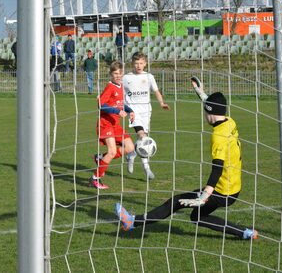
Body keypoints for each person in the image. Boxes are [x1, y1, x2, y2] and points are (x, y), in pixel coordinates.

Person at [115, 77, 258, 241]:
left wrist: (205, 195)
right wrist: (200, 92)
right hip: (233, 188)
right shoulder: (229, 121)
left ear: (209, 113)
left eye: (206, 112)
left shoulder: (218, 137)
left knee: (176, 202)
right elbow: (211, 105)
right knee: (198, 217)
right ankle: (245, 233)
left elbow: (217, 168)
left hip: (221, 190)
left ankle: (132, 222)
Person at [123, 52, 170, 180]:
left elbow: (156, 91)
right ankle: (147, 169)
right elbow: (119, 93)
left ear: (145, 64)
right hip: (133, 111)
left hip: (146, 111)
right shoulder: (126, 78)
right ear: (132, 63)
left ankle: (131, 154)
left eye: (141, 63)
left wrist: (162, 103)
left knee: (144, 138)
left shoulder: (149, 76)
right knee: (143, 137)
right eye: (136, 63)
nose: (139, 66)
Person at [91, 61, 137, 189]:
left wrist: (130, 111)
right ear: (111, 74)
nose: (118, 75)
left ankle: (100, 158)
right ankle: (96, 178)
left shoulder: (121, 86)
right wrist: (117, 111)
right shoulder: (110, 87)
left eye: (120, 73)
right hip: (105, 124)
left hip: (115, 124)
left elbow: (120, 103)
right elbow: (101, 104)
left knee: (129, 147)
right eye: (115, 73)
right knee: (111, 152)